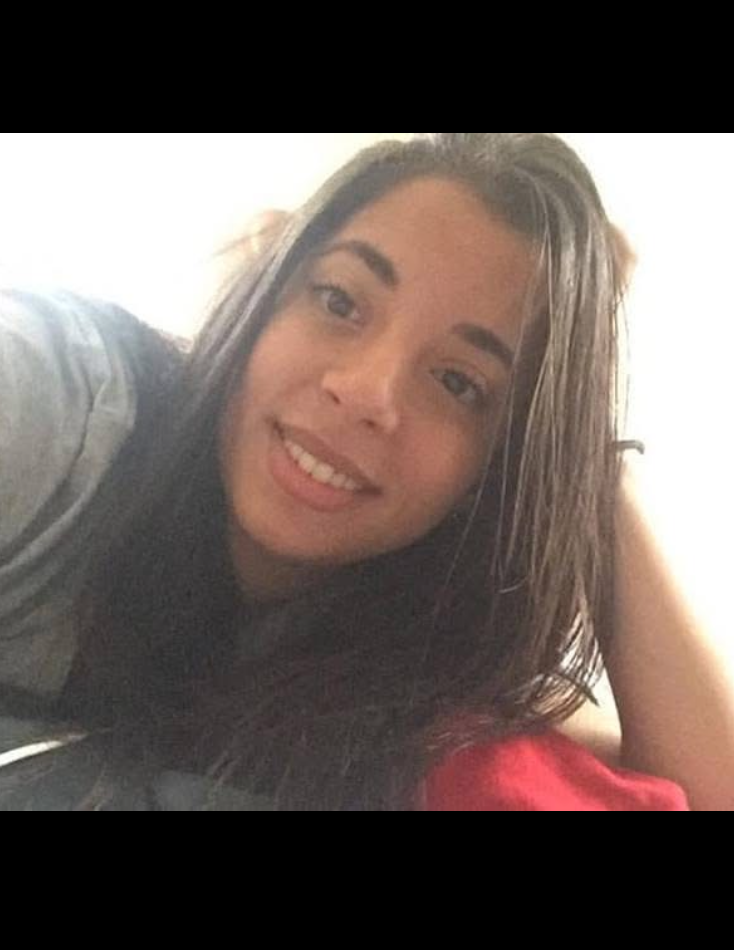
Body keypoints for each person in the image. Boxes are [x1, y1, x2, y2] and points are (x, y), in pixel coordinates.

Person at [0, 133, 729, 810]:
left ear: (492, 471)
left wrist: (592, 463)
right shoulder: (67, 405)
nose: (366, 392)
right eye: (339, 301)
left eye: (458, 382)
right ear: (266, 286)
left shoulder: (424, 652)